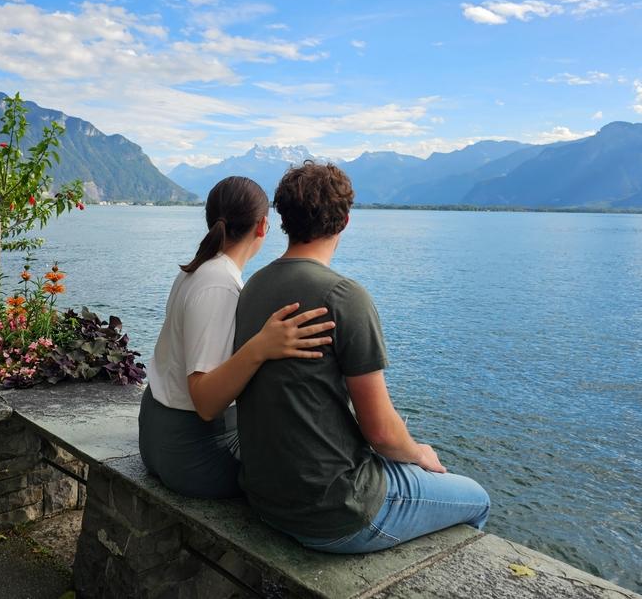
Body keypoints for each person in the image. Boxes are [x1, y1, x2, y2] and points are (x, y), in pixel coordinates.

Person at [234, 162, 490, 552]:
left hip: (266, 500)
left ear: (283, 218)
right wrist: (419, 453)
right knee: (476, 499)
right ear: (345, 221)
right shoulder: (344, 297)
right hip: (336, 513)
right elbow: (383, 434)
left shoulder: (253, 286)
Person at [138, 175, 334, 499]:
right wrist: (261, 346)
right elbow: (204, 402)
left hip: (160, 436)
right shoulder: (219, 284)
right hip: (192, 456)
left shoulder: (199, 270)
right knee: (305, 470)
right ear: (262, 227)